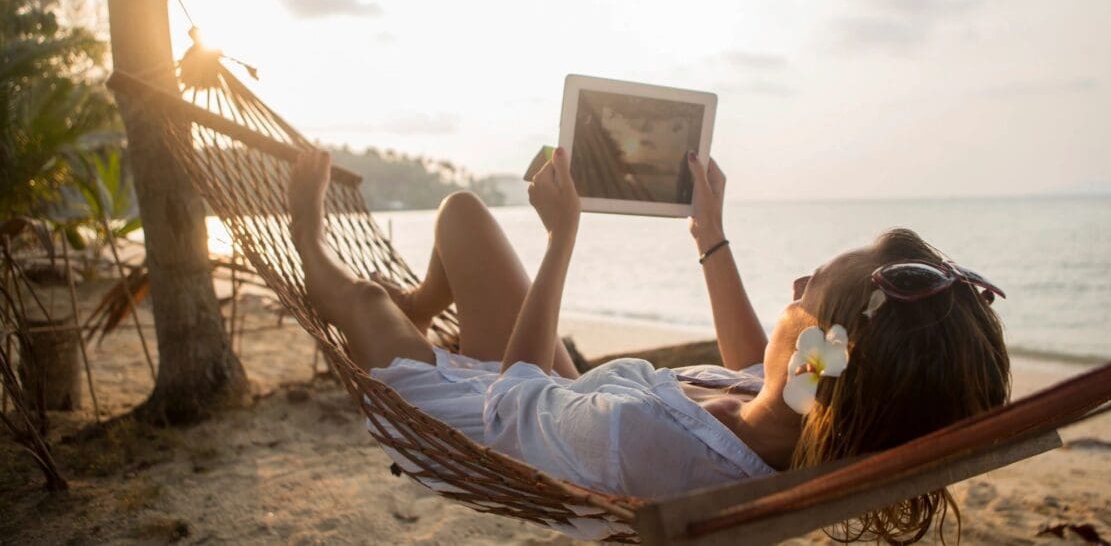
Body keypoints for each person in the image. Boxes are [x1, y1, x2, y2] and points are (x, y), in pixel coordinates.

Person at [287, 147, 1009, 543]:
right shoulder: (794, 417)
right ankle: (419, 312)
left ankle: (307, 237)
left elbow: (510, 403)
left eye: (804, 287)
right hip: (559, 400)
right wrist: (708, 233)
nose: (793, 282)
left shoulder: (646, 438)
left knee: (365, 298)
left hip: (464, 419)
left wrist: (561, 237)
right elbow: (760, 365)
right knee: (464, 213)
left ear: (816, 357)